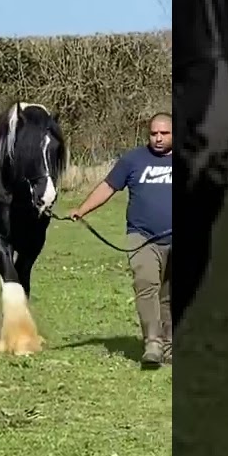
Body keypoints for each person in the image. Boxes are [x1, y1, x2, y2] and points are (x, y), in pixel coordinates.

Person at [70, 113, 173, 368]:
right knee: (146, 283)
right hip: (142, 236)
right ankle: (152, 343)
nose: (158, 138)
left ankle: (170, 346)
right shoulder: (133, 160)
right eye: (154, 133)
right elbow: (108, 186)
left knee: (169, 295)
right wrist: (81, 210)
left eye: (164, 133)